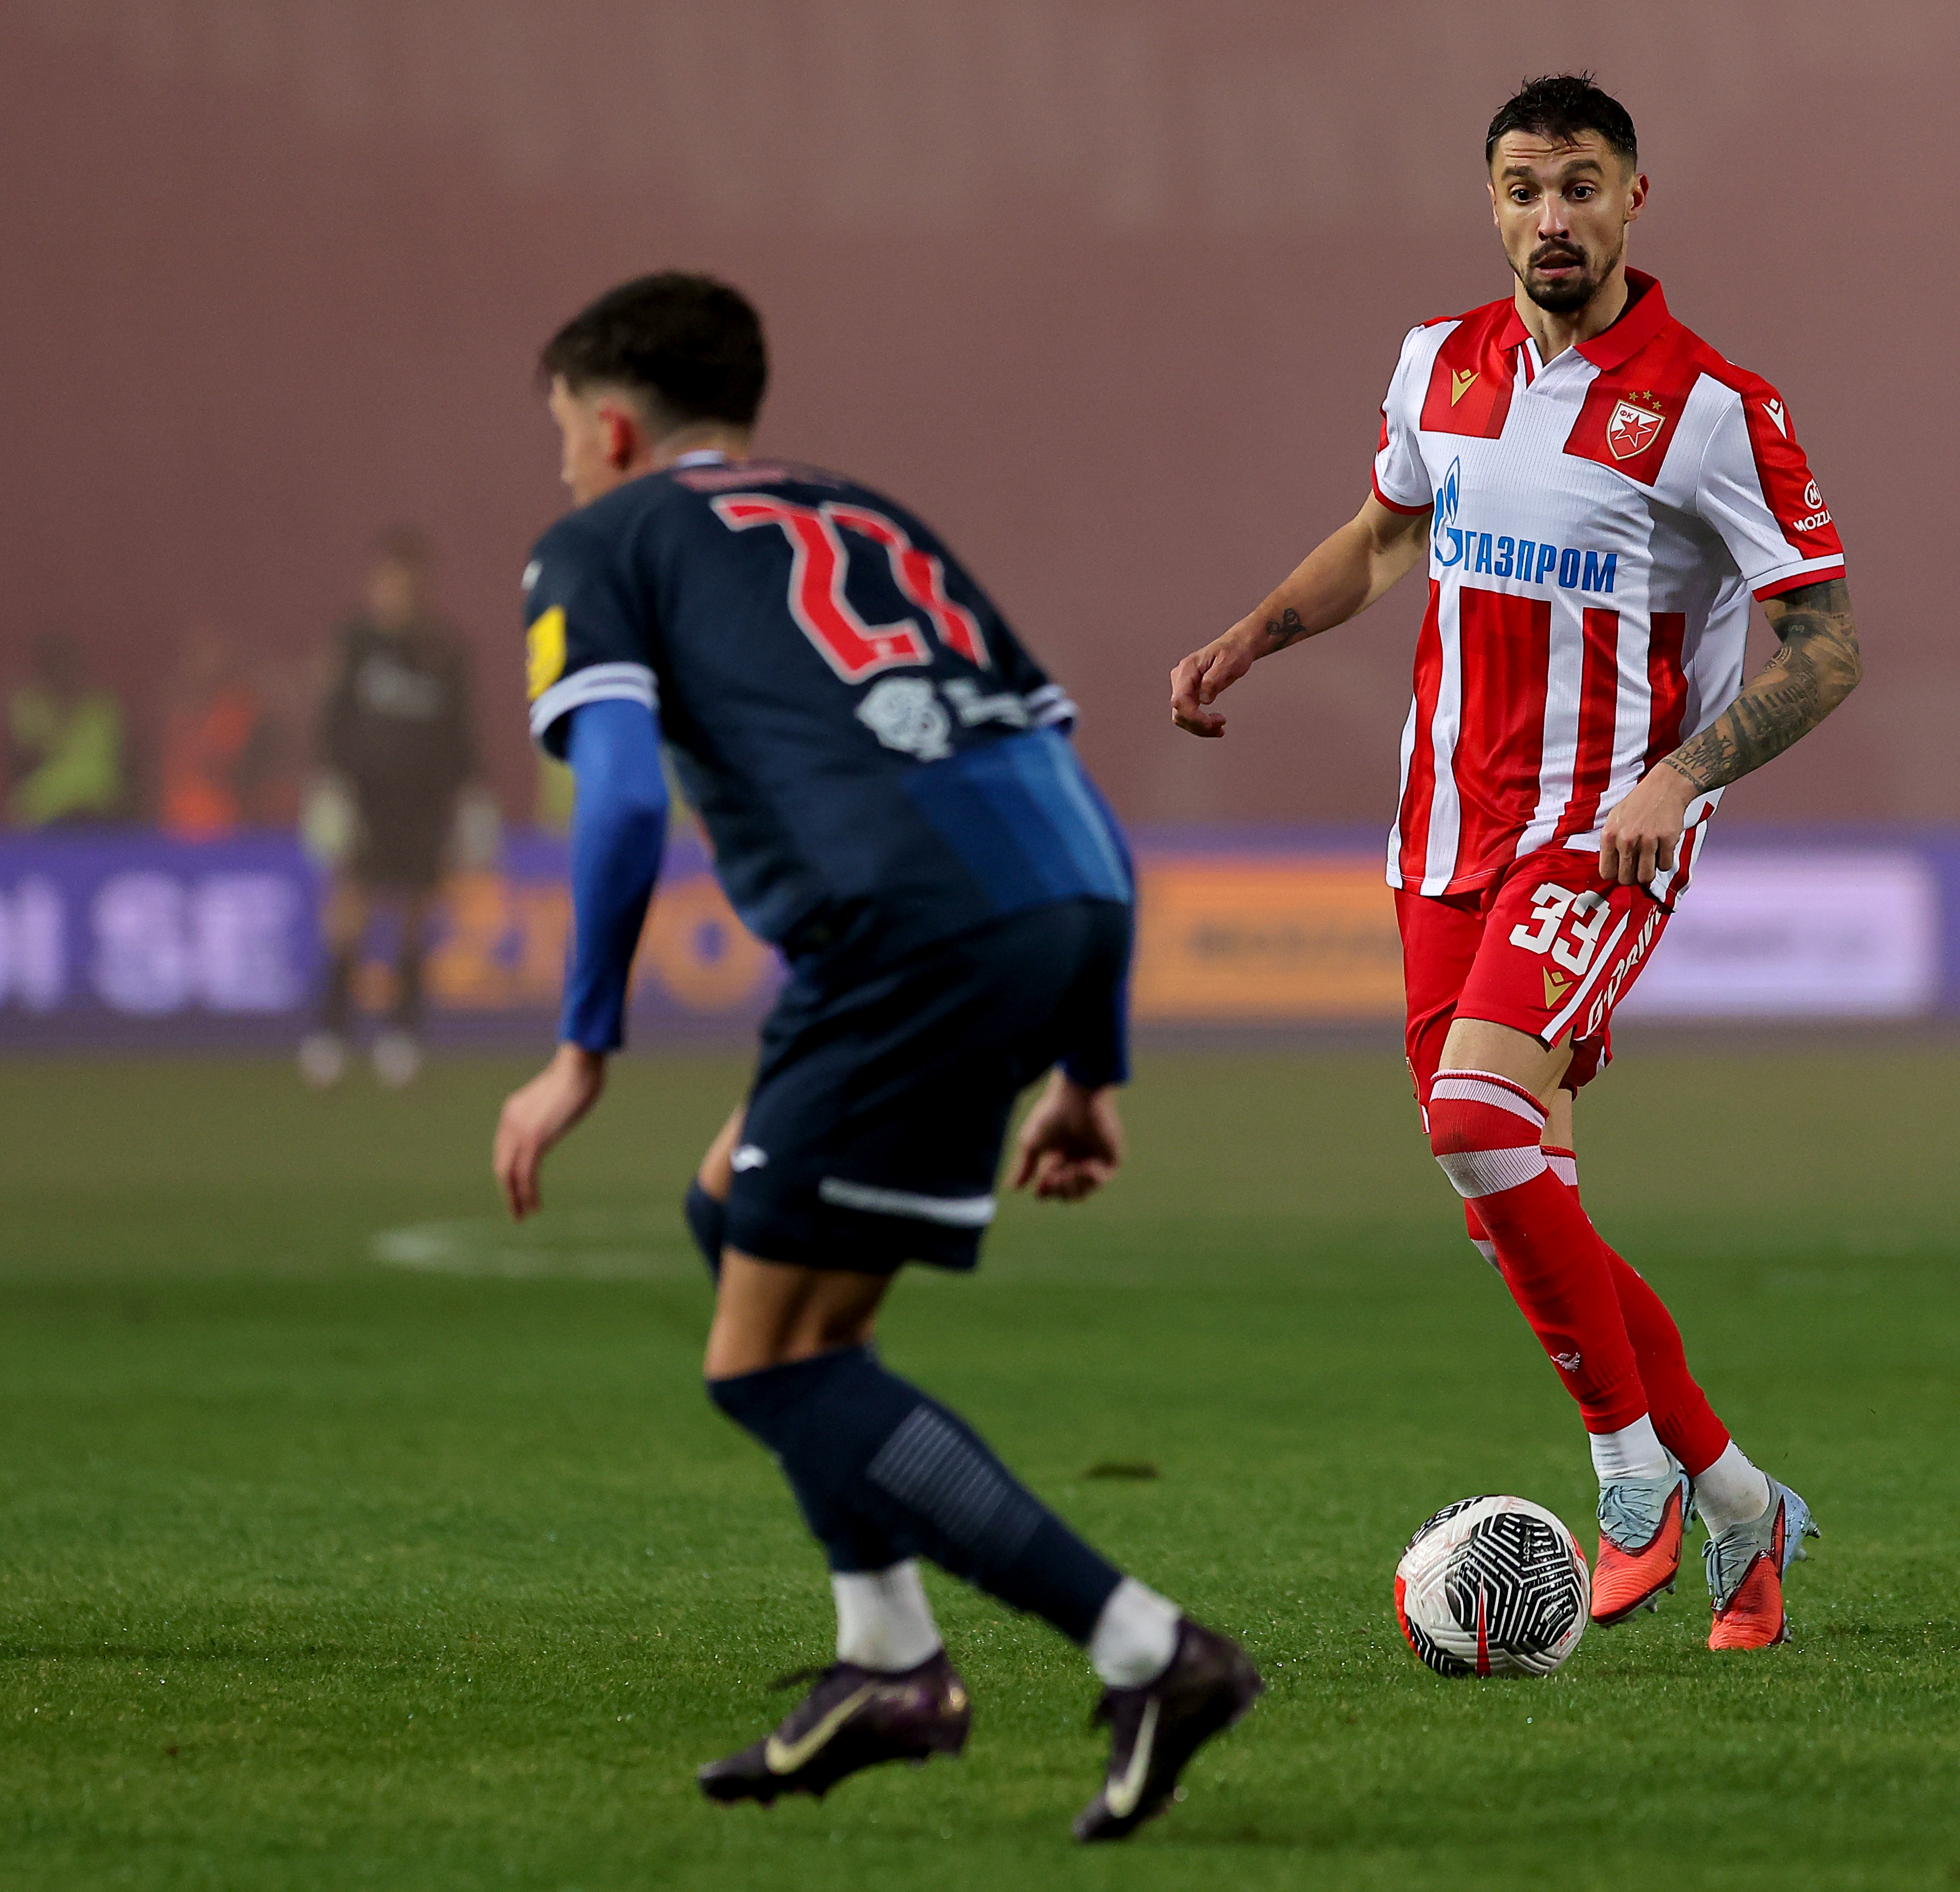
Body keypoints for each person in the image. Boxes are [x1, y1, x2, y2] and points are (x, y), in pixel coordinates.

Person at [487, 273, 1258, 1839]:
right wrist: (1089, 1067)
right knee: (732, 1214)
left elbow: (621, 798)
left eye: (563, 430)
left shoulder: (600, 541)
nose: (563, 460)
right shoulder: (869, 516)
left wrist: (580, 1051)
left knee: (770, 1364)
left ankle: (1144, 1648)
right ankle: (889, 1661)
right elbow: (1058, 775)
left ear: (612, 426)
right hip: (1056, 903)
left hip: (902, 935)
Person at [1168, 76, 1859, 1651]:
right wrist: (1254, 634)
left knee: (1477, 1118)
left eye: (1581, 186)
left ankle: (1631, 1473)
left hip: (1599, 831)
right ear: (1491, 203)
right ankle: (1739, 1503)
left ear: (1633, 200)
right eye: (1523, 189)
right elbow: (1384, 537)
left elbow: (1826, 649)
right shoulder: (1439, 362)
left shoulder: (1713, 408)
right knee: (1506, 1196)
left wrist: (1678, 778)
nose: (1552, 217)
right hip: (1440, 834)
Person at [299, 530, 489, 1089]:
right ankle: (331, 1030)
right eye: (388, 582)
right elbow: (332, 719)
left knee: (413, 917)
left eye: (407, 583)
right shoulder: (354, 643)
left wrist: (474, 798)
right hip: (365, 797)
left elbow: (461, 733)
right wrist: (329, 785)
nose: (397, 593)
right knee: (349, 911)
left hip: (423, 802)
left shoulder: (445, 651)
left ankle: (401, 1032)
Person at [158, 621, 274, 842]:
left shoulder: (235, 707)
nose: (202, 664)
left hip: (222, 823)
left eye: (210, 655)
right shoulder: (175, 708)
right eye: (195, 655)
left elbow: (224, 762)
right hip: (174, 823)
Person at [8, 634, 127, 827]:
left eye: (70, 667)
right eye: (57, 668)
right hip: (45, 802)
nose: (65, 674)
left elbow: (118, 761)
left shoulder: (102, 706)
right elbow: (23, 760)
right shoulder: (30, 705)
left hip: (99, 801)